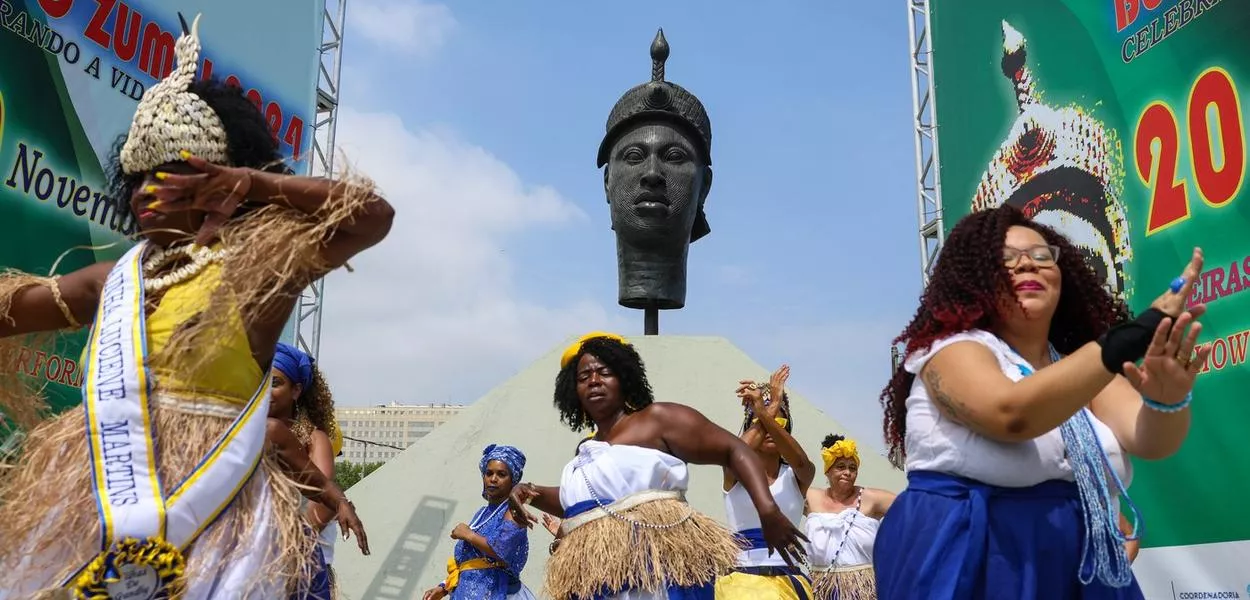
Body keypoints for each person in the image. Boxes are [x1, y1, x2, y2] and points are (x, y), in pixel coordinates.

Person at [0, 14, 385, 598]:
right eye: (137, 177)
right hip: (93, 507)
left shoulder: (258, 275)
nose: (147, 191)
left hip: (218, 520)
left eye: (173, 174)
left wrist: (254, 184)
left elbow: (371, 216)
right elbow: (12, 309)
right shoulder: (111, 281)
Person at [873, 204, 1207, 599]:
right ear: (974, 278)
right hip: (976, 557)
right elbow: (1011, 414)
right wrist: (1130, 337)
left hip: (1073, 564)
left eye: (1041, 256)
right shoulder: (950, 351)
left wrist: (1167, 401)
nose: (1026, 265)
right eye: (1006, 259)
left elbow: (1151, 441)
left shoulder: (1079, 369)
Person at [509, 332, 808, 600]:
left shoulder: (658, 420)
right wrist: (531, 493)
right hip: (600, 582)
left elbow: (735, 449)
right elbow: (589, 503)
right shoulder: (586, 453)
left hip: (656, 578)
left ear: (625, 377)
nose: (594, 381)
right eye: (583, 376)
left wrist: (768, 509)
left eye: (604, 372)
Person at [715, 365, 817, 599]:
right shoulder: (734, 474)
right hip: (742, 583)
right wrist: (770, 407)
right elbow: (735, 452)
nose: (771, 431)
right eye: (762, 425)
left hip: (788, 583)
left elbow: (802, 461)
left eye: (779, 425)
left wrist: (764, 412)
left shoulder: (797, 475)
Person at [267, 341, 353, 599]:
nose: (265, 392)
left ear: (296, 390)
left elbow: (324, 502)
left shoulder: (314, 440)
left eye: (275, 383)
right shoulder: (247, 436)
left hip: (302, 569)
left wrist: (285, 548)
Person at [423, 444, 537, 600]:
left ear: (513, 480)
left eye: (501, 474)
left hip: (498, 593)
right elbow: (467, 563)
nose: (493, 479)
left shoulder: (513, 511)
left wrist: (468, 534)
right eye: (488, 473)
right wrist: (443, 587)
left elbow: (501, 550)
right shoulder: (482, 513)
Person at [804, 434, 895, 600]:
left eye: (852, 468)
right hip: (822, 588)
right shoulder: (811, 497)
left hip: (863, 589)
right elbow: (779, 504)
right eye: (840, 466)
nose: (847, 472)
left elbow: (912, 511)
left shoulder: (872, 498)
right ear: (828, 471)